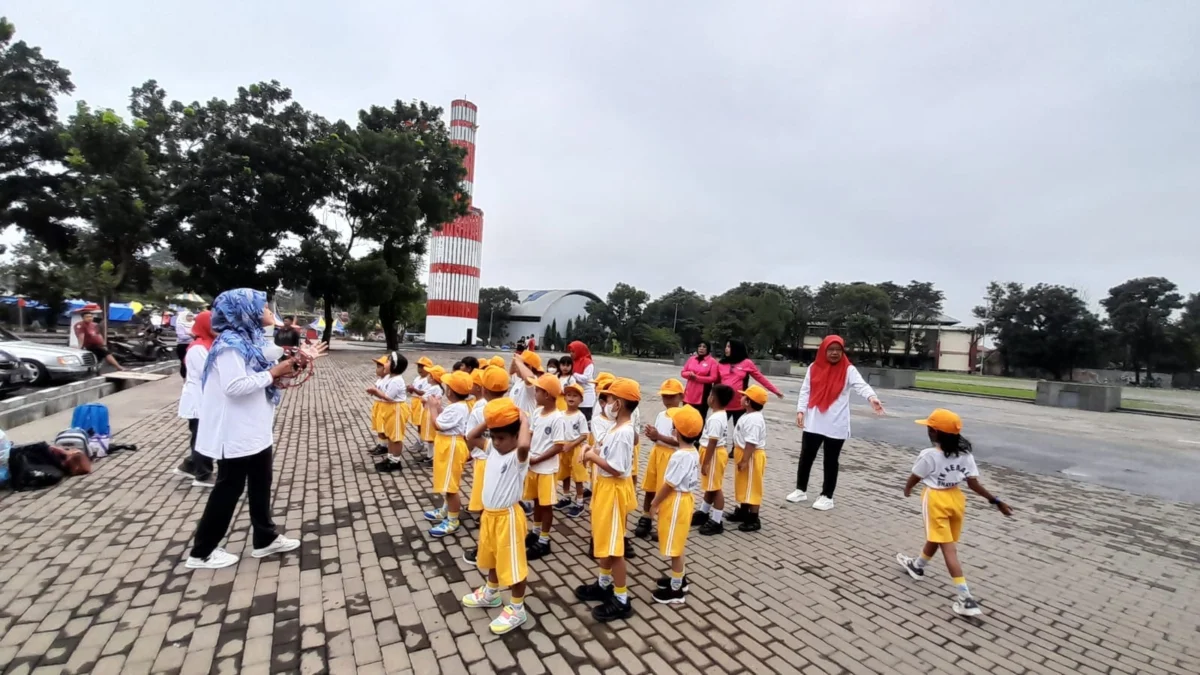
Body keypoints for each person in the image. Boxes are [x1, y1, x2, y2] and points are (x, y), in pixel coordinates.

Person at [185, 289, 319, 570]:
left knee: (261, 485)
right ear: (245, 311)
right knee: (228, 489)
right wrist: (274, 372)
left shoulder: (249, 340)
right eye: (264, 307)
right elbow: (234, 387)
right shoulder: (230, 345)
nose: (270, 311)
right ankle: (202, 552)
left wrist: (297, 357)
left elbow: (267, 356)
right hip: (235, 432)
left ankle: (265, 538)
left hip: (255, 428)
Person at [896, 409, 1014, 617]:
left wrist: (907, 489)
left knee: (948, 549)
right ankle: (917, 565)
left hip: (935, 499)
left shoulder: (929, 455)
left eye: (928, 428)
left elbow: (915, 476)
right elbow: (974, 483)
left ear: (934, 433)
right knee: (940, 537)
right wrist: (995, 501)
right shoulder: (965, 455)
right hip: (956, 499)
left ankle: (965, 598)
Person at [789, 335, 886, 511]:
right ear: (824, 350)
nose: (834, 353)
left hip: (836, 423)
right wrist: (801, 410)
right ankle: (800, 490)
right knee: (806, 456)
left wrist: (872, 398)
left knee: (830, 460)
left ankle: (827, 496)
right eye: (831, 350)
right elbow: (805, 391)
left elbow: (861, 385)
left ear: (843, 352)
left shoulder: (848, 370)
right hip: (814, 420)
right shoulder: (813, 368)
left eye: (838, 350)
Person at [461, 398, 533, 634]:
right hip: (490, 516)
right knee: (491, 556)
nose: (496, 442)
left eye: (502, 438)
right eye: (494, 437)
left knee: (512, 566)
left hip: (508, 518)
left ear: (515, 436)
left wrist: (524, 420)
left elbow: (523, 445)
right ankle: (491, 592)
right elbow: (470, 438)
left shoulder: (518, 457)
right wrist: (489, 422)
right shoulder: (492, 448)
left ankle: (517, 608)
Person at [576, 377, 640, 622]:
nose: (605, 403)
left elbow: (618, 468)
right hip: (605, 490)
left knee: (615, 548)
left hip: (613, 491)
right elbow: (606, 449)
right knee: (604, 539)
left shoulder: (624, 432)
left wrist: (593, 457)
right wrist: (591, 449)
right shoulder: (617, 429)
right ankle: (604, 583)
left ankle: (621, 598)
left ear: (620, 403)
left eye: (610, 399)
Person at [649, 405, 703, 605]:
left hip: (676, 500)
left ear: (677, 431)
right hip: (684, 499)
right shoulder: (692, 451)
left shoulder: (680, 456)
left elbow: (669, 484)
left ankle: (676, 590)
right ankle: (679, 578)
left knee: (674, 547)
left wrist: (654, 504)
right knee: (677, 542)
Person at [462, 366, 513, 566]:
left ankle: (484, 548)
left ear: (483, 389)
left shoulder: (479, 409)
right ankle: (500, 545)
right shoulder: (512, 406)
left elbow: (469, 438)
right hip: (508, 461)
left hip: (485, 459)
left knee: (487, 508)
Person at [423, 370, 472, 537]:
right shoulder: (458, 406)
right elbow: (445, 418)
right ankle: (446, 510)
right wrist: (438, 407)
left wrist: (432, 408)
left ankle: (453, 520)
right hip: (448, 445)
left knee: (450, 487)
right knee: (446, 482)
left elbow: (438, 424)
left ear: (450, 391)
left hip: (451, 446)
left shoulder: (457, 408)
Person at [635, 379, 685, 539]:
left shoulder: (682, 417)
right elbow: (658, 438)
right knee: (650, 486)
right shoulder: (661, 414)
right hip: (656, 452)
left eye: (671, 396)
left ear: (681, 397)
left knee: (664, 490)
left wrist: (659, 436)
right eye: (665, 396)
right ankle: (646, 516)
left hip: (670, 455)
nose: (668, 400)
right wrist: (653, 436)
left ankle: (665, 523)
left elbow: (679, 441)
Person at [524, 373, 566, 560]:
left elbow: (559, 446)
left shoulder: (557, 418)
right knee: (536, 501)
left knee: (546, 504)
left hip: (546, 468)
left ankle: (544, 540)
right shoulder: (536, 413)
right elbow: (531, 434)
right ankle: (535, 530)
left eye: (538, 390)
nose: (535, 393)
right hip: (533, 465)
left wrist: (538, 459)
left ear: (548, 395)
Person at [174, 310, 215, 487]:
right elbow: (208, 374)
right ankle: (203, 474)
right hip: (199, 399)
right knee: (202, 436)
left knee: (201, 435)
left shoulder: (209, 344)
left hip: (205, 398)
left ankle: (189, 466)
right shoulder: (198, 348)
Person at [727, 385, 770, 533]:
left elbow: (751, 442)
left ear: (749, 402)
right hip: (744, 453)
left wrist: (745, 460)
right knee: (744, 484)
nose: (741, 397)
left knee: (752, 486)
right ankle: (743, 510)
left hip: (751, 455)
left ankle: (753, 518)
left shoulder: (754, 419)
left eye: (744, 396)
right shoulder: (748, 415)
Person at [694, 384, 734, 535]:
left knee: (716, 488)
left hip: (714, 454)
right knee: (710, 485)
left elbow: (713, 441)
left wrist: (705, 462)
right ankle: (704, 512)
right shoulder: (719, 414)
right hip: (713, 453)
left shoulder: (716, 418)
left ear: (713, 399)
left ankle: (717, 521)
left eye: (710, 394)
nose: (708, 397)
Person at [716, 340, 780, 425]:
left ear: (736, 349)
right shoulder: (721, 363)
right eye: (726, 346)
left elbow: (760, 378)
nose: (726, 349)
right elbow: (715, 382)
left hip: (740, 404)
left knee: (740, 432)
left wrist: (775, 391)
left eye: (729, 347)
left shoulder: (746, 363)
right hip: (723, 404)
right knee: (718, 429)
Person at [554, 383, 589, 519]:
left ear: (581, 400)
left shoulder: (580, 416)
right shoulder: (561, 414)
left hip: (575, 449)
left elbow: (584, 435)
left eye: (575, 396)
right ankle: (566, 497)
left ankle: (579, 502)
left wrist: (572, 445)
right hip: (563, 449)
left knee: (578, 476)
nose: (571, 398)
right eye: (569, 395)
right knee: (565, 474)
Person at [371, 352, 410, 473]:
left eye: (388, 362)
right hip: (389, 409)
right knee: (390, 435)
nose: (385, 364)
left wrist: (376, 392)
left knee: (396, 437)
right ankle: (390, 457)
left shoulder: (396, 380)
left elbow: (389, 397)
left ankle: (395, 461)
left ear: (394, 366)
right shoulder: (389, 377)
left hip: (396, 409)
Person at [680, 341, 719, 422]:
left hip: (703, 393)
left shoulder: (712, 361)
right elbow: (683, 372)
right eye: (699, 346)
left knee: (699, 418)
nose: (701, 348)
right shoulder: (691, 359)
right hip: (689, 392)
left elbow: (713, 378)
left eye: (704, 347)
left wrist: (697, 378)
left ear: (708, 349)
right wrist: (689, 374)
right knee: (685, 417)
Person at [567, 341, 597, 419]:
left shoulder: (588, 363)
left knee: (585, 417)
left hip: (586, 394)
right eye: (570, 352)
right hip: (576, 393)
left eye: (573, 352)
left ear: (579, 351)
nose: (571, 354)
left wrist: (573, 374)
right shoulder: (572, 362)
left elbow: (585, 378)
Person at [175, 310, 195, 378]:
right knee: (184, 362)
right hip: (183, 345)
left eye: (191, 316)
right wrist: (191, 335)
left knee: (192, 362)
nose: (191, 317)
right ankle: (184, 378)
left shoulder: (194, 323)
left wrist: (190, 334)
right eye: (188, 316)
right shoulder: (180, 324)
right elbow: (181, 337)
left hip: (192, 345)